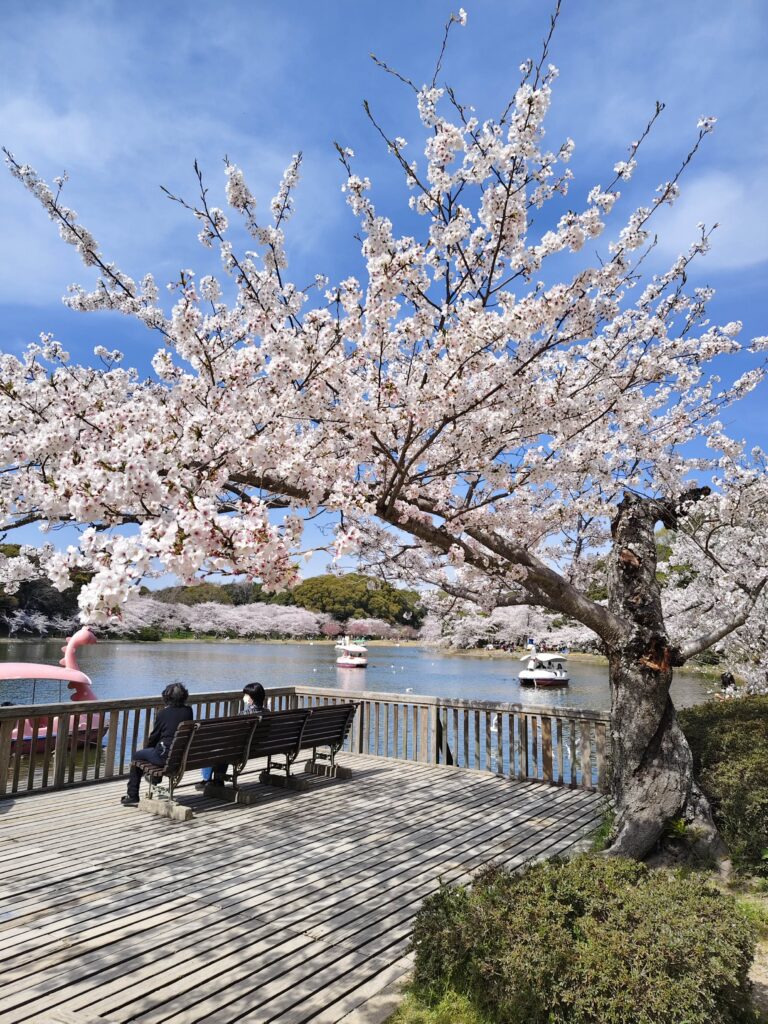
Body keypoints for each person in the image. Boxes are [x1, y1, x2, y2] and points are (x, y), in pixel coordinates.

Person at [121, 682, 193, 807]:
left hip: (164, 758)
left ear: (167, 698)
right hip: (181, 757)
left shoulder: (163, 714)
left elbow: (154, 737)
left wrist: (149, 749)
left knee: (137, 756)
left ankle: (133, 795)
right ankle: (155, 779)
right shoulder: (188, 711)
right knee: (153, 752)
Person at [196, 682, 267, 790]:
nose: (244, 697)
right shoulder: (268, 712)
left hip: (240, 750)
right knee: (226, 749)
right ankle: (217, 780)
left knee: (215, 747)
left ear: (251, 699)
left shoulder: (244, 715)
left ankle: (209, 780)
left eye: (246, 695)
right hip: (258, 747)